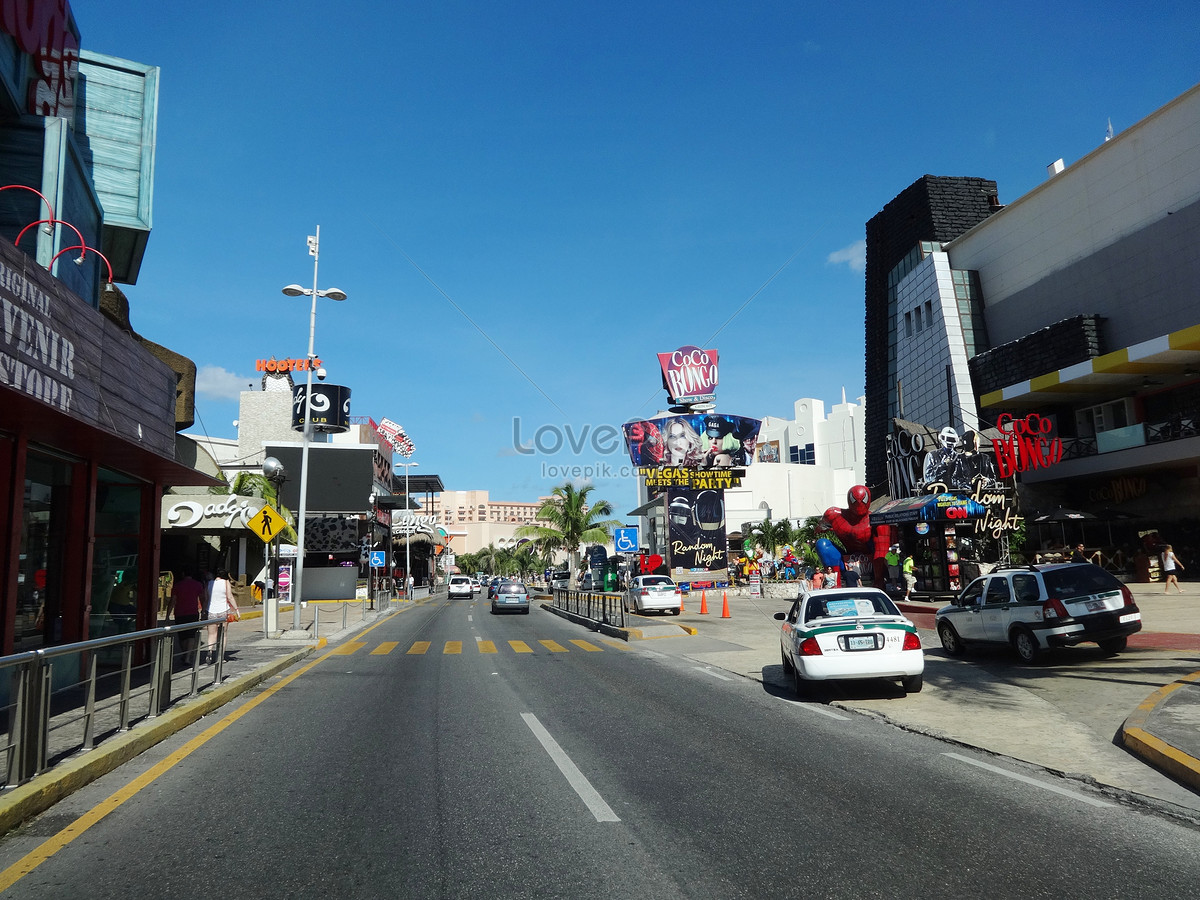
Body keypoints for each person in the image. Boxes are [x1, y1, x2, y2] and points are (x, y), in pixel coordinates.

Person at [167, 570, 206, 659]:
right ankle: (187, 656)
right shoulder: (198, 585)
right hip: (193, 613)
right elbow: (203, 598)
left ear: (183, 574)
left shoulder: (177, 585)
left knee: (182, 635)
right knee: (191, 635)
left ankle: (185, 654)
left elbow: (172, 601)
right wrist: (203, 611)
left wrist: (167, 616)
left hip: (180, 613)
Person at [204, 567, 238, 664]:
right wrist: (236, 609)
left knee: (211, 634)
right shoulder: (226, 582)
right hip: (224, 611)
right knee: (223, 634)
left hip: (211, 611)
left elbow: (206, 599)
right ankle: (220, 657)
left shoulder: (209, 583)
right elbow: (230, 596)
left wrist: (203, 611)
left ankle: (210, 651)